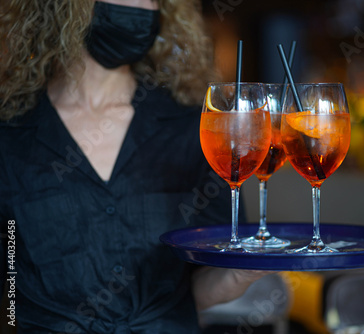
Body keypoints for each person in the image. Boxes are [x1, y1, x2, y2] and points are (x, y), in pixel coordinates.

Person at [0, 0, 270, 332]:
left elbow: (194, 292)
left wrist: (239, 271)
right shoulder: (10, 137)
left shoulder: (197, 130)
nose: (144, 6)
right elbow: (8, 299)